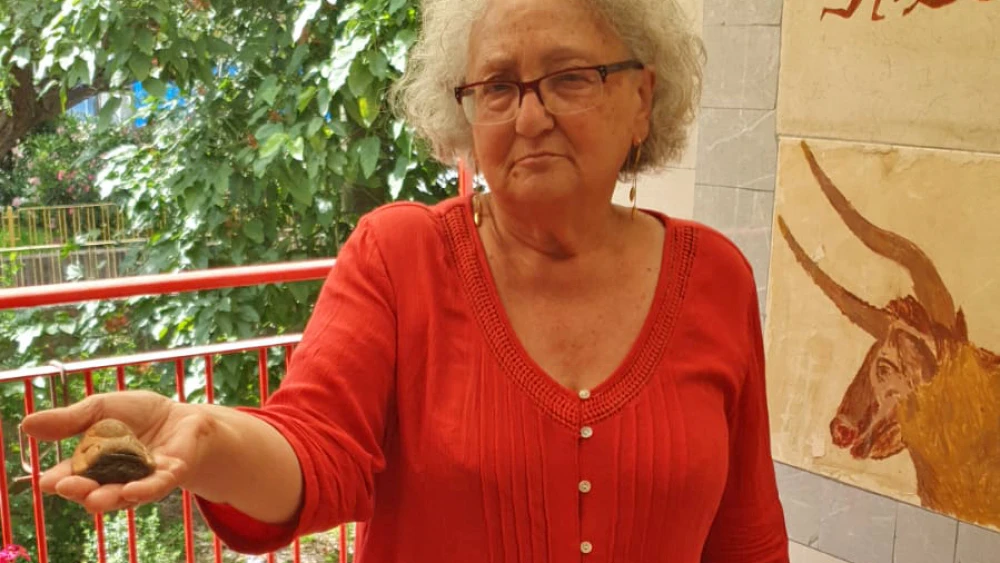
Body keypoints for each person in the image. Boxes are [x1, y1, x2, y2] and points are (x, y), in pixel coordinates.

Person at [22, 0, 790, 560]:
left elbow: (747, 536)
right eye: (496, 86)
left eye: (571, 78)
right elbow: (317, 446)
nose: (528, 117)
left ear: (642, 100)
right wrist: (210, 441)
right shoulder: (401, 256)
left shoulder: (715, 277)